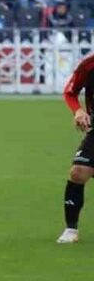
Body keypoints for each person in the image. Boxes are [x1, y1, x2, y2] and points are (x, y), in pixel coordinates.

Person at [59, 54, 94, 243]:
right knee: (78, 172)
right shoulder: (89, 65)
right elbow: (70, 92)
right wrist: (78, 111)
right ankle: (71, 230)